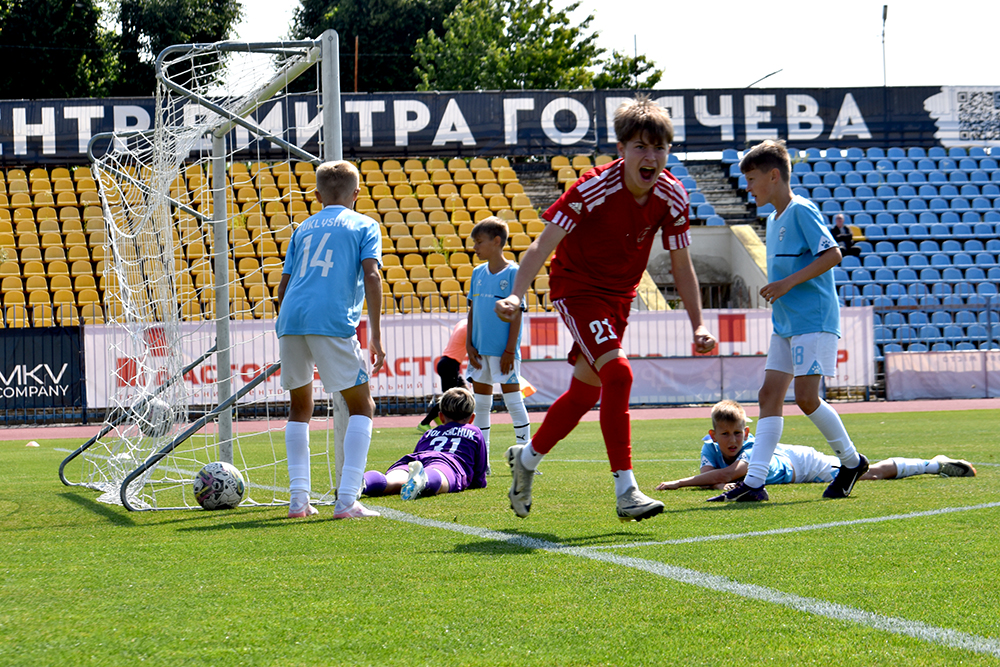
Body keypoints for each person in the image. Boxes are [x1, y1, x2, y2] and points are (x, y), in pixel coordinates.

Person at [495, 95, 717, 522]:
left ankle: (526, 459)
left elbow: (681, 264)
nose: (650, 157)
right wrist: (516, 296)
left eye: (658, 148)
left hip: (619, 297)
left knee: (585, 393)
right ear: (621, 149)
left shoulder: (673, 195)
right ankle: (626, 490)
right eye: (640, 147)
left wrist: (699, 324)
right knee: (619, 373)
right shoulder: (593, 187)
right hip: (577, 288)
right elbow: (543, 244)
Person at [710, 140, 866, 502]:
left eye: (752, 178)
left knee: (806, 398)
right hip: (785, 322)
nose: (748, 186)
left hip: (813, 318)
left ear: (774, 176)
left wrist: (786, 283)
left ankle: (851, 461)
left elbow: (833, 254)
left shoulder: (801, 210)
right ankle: (754, 483)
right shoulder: (773, 218)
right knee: (768, 396)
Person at [276, 160, 385, 520]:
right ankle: (347, 499)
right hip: (331, 319)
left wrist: (289, 321)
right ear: (357, 193)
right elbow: (372, 276)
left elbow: (283, 286)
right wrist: (375, 334)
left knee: (299, 408)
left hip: (291, 317)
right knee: (362, 406)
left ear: (317, 194)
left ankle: (298, 500)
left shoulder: (302, 228)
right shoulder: (365, 224)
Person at [655, 400, 976, 492]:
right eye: (725, 434)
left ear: (747, 432)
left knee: (869, 474)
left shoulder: (751, 446)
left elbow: (727, 474)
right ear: (713, 435)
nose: (732, 440)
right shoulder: (709, 446)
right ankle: (931, 464)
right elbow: (711, 474)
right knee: (867, 475)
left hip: (801, 464)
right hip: (788, 460)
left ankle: (933, 464)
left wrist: (678, 483)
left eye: (737, 433)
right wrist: (717, 483)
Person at [467, 216, 531, 466]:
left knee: (513, 402)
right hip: (479, 351)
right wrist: (469, 345)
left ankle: (525, 458)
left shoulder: (514, 273)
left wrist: (509, 351)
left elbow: (517, 314)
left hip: (504, 352)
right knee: (481, 406)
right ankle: (482, 462)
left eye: (479, 242)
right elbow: (472, 310)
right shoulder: (477, 273)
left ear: (496, 241)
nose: (475, 247)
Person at [362, 387, 489, 500]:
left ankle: (362, 483)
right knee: (439, 477)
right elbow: (479, 471)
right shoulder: (474, 432)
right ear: (472, 418)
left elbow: (417, 455)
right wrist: (478, 483)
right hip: (448, 463)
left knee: (391, 480)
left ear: (441, 416)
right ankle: (424, 479)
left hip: (418, 458)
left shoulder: (429, 433)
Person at [418, 319, 468, 432]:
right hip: (450, 365)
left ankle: (437, 417)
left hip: (447, 363)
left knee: (464, 393)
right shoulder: (468, 327)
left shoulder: (463, 322)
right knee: (449, 399)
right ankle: (424, 423)